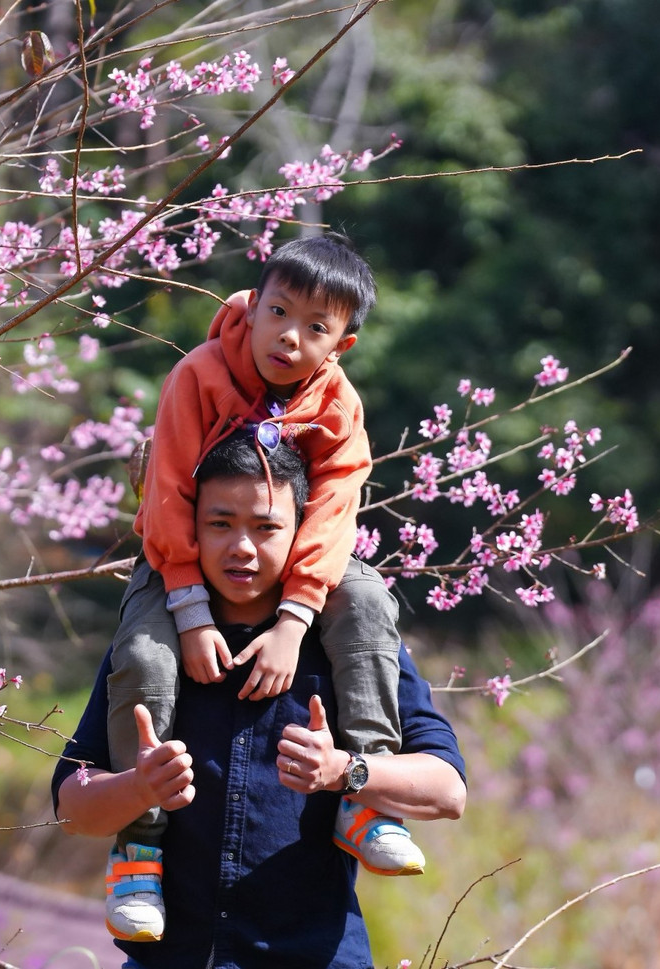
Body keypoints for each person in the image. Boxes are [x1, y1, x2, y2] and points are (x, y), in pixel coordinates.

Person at [54, 431, 467, 967]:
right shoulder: (149, 647)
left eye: (266, 527)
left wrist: (346, 770)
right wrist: (139, 786)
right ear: (190, 530)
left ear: (302, 532)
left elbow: (448, 791)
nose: (242, 548)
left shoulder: (348, 644)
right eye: (220, 524)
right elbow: (71, 809)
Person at [105, 233, 415, 942]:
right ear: (253, 308)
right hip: (180, 556)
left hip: (297, 569)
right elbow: (167, 493)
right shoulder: (200, 374)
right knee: (148, 659)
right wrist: (187, 609)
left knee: (368, 602)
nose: (290, 337)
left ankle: (367, 798)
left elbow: (336, 513)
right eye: (279, 312)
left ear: (344, 343)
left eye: (316, 328)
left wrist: (296, 617)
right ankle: (137, 850)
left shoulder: (338, 404)